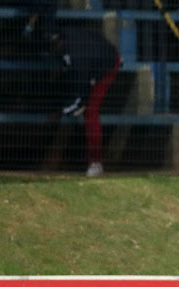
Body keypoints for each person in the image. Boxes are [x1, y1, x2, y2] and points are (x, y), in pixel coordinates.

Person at [48, 28, 121, 177]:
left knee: (91, 112)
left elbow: (81, 99)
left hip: (106, 66)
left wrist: (62, 112)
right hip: (97, 59)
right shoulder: (67, 36)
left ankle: (96, 162)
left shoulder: (78, 59)